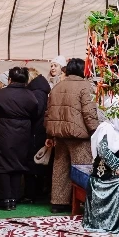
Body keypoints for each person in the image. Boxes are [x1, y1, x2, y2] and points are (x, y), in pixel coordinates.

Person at [45, 58, 99, 213]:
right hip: (79, 135)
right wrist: (95, 130)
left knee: (60, 168)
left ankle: (58, 203)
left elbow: (48, 112)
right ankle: (84, 201)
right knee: (82, 168)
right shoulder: (85, 86)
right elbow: (89, 113)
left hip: (59, 134)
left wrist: (49, 134)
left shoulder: (57, 86)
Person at [0, 66, 44, 210]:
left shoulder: (2, 94)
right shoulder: (30, 95)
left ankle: (5, 199)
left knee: (2, 164)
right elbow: (35, 113)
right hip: (24, 132)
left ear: (9, 79)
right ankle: (14, 198)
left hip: (5, 131)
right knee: (18, 164)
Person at [26, 70, 52, 202]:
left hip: (36, 130)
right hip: (39, 129)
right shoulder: (40, 90)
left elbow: (37, 111)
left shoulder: (37, 92)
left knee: (35, 160)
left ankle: (33, 194)